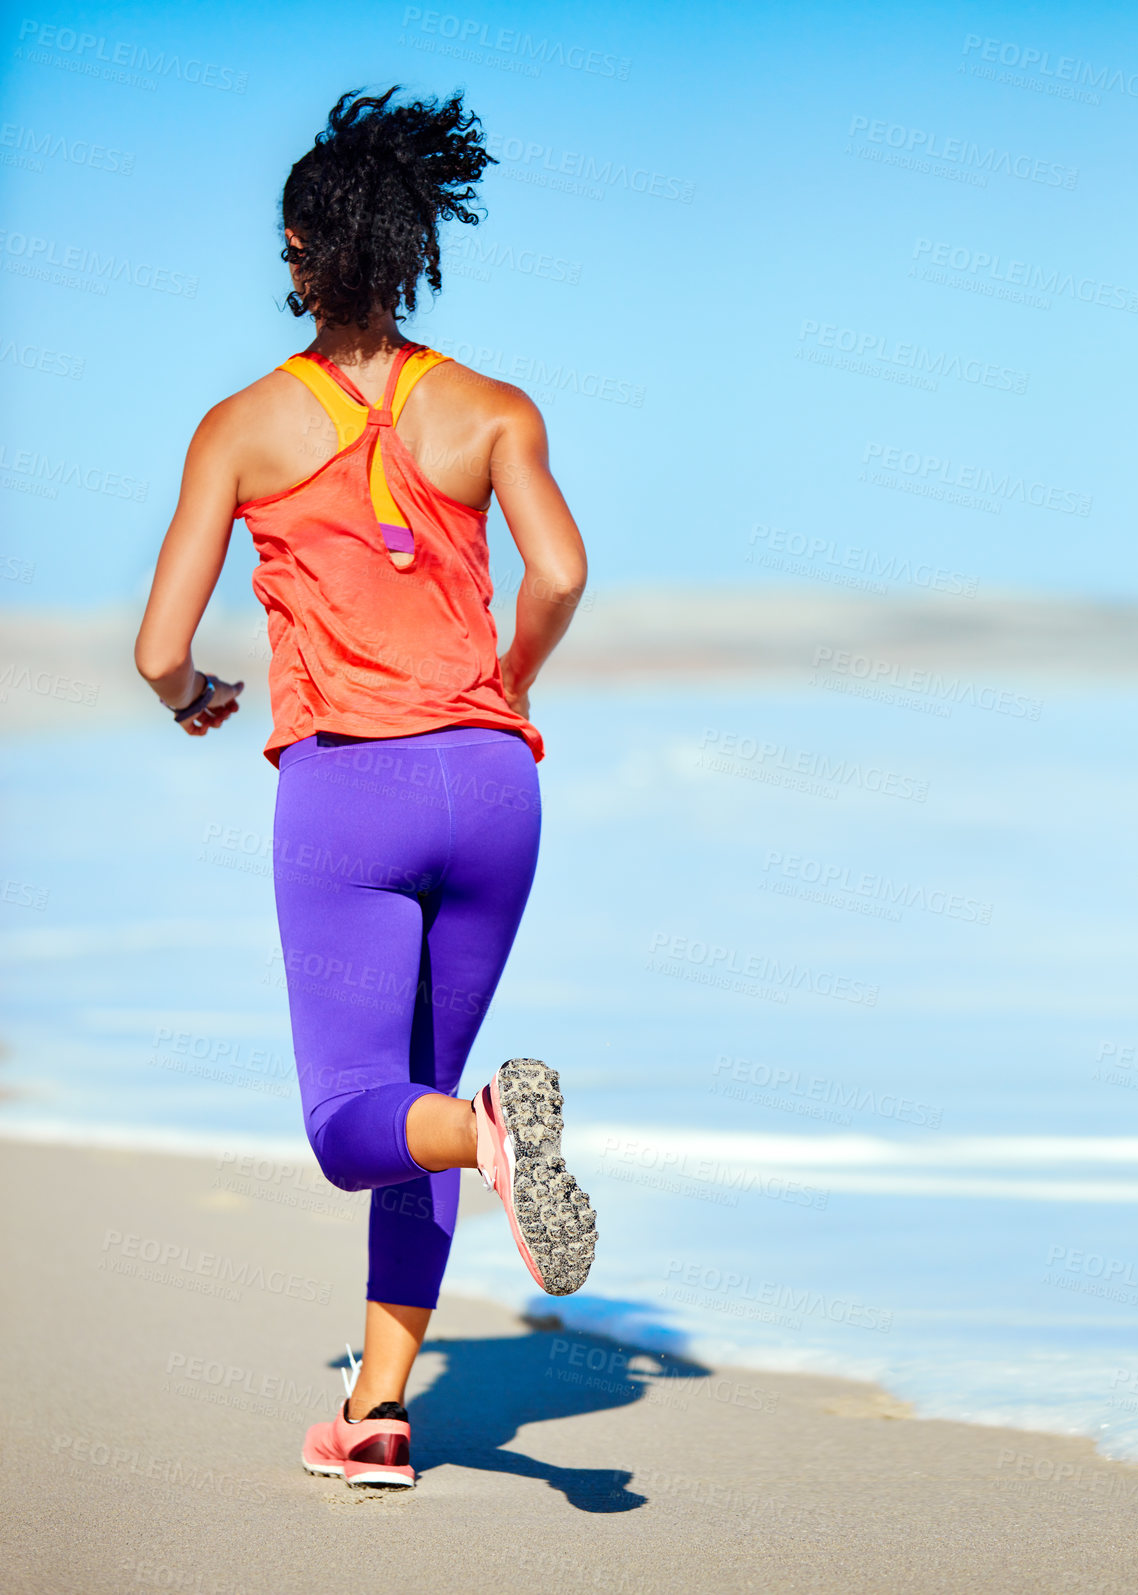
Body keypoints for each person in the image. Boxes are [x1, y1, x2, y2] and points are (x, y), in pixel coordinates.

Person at [133, 85, 596, 1490]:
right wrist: (510, 680)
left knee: (364, 1124)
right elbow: (563, 573)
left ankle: (488, 1133)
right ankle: (381, 1417)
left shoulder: (238, 428)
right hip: (495, 788)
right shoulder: (493, 408)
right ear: (414, 247)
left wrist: (195, 697)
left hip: (352, 795)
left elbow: (158, 647)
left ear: (298, 251)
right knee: (422, 1102)